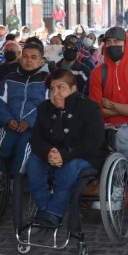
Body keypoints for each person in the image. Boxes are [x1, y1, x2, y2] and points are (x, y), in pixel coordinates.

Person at [26, 69, 108, 227]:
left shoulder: (89, 108)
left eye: (60, 88)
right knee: (33, 163)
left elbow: (92, 143)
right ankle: (45, 210)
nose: (55, 93)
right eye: (52, 88)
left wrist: (63, 154)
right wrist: (49, 152)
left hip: (84, 156)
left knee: (69, 167)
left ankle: (54, 213)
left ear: (73, 89)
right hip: (53, 154)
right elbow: (36, 138)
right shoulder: (44, 108)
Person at [88, 26, 128, 209]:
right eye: (109, 42)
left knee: (120, 137)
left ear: (126, 44)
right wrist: (123, 109)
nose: (112, 45)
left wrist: (111, 105)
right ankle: (94, 185)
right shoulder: (97, 73)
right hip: (103, 125)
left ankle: (118, 187)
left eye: (117, 42)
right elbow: (97, 111)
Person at [0, 43, 49, 176]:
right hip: (10, 125)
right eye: (25, 56)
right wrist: (8, 119)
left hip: (34, 127)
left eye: (34, 57)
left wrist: (29, 121)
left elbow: (47, 106)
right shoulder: (9, 78)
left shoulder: (47, 80)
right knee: (0, 148)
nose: (28, 60)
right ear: (20, 58)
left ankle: (15, 182)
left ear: (41, 61)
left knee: (24, 148)